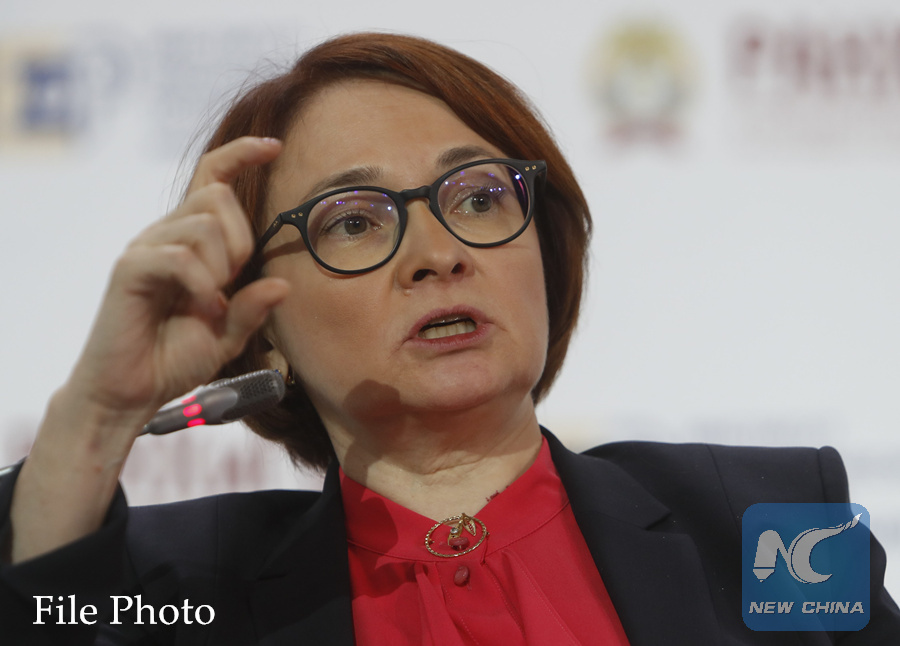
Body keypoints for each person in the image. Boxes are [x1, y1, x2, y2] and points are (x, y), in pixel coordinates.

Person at [0, 32, 897, 645]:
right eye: (354, 221)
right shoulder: (177, 590)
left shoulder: (763, 522)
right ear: (258, 324)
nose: (438, 253)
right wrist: (98, 414)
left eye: (478, 197)